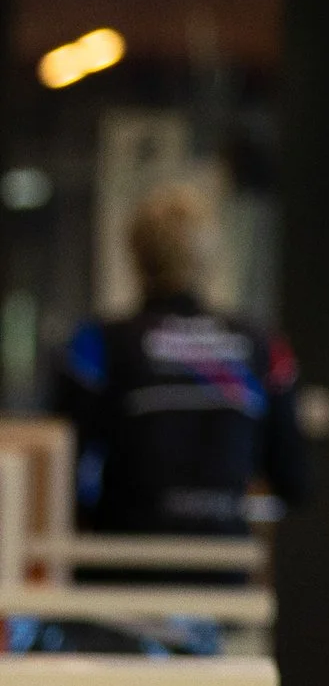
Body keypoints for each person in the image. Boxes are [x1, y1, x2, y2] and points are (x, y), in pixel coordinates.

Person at [54, 183, 307, 560]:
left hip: (120, 568)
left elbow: (61, 470)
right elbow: (295, 480)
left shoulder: (99, 344)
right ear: (210, 257)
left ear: (136, 255)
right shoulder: (263, 346)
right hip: (223, 572)